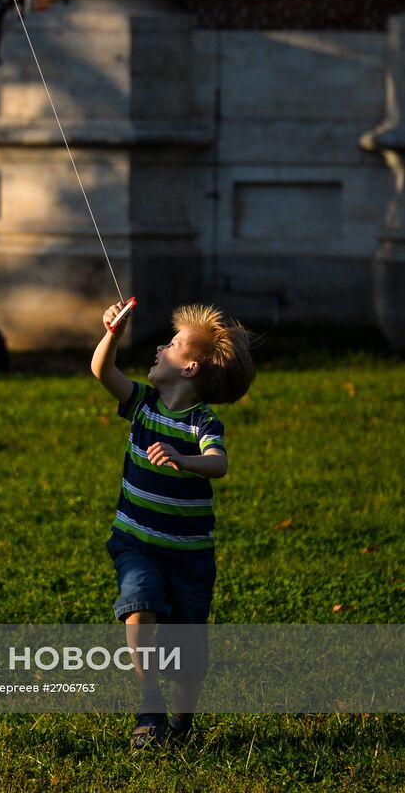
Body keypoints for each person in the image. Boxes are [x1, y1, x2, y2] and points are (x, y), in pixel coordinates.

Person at [91, 300, 255, 748]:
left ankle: (181, 726)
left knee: (187, 654)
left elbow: (218, 464)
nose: (161, 347)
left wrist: (185, 459)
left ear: (190, 369)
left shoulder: (203, 421)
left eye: (173, 344)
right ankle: (149, 704)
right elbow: (103, 372)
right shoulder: (141, 403)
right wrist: (113, 335)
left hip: (189, 556)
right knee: (138, 605)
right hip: (136, 542)